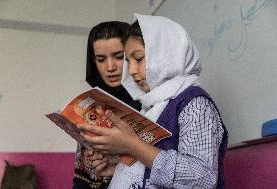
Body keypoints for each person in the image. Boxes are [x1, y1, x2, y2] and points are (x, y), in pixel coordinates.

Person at [79, 14, 228, 189]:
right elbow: (151, 162)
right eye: (129, 62)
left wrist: (132, 145)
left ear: (165, 53)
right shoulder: (151, 105)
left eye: (139, 59)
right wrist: (118, 168)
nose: (132, 71)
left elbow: (201, 179)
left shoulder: (194, 104)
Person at [73, 21, 141, 189]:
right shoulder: (91, 108)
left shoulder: (151, 104)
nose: (110, 67)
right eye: (101, 59)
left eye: (118, 56)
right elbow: (82, 179)